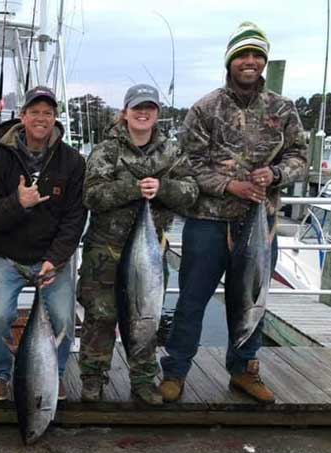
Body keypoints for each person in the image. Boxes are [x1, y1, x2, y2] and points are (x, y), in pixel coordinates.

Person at [159, 22, 307, 404]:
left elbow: (300, 158)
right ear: (230, 61)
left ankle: (244, 368)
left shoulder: (283, 109)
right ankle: (175, 371)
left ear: (264, 62)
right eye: (243, 54)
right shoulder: (205, 108)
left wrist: (274, 174)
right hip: (208, 222)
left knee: (251, 299)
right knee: (192, 298)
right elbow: (186, 164)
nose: (250, 61)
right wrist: (230, 186)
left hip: (261, 225)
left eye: (257, 55)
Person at [78, 84, 198, 405]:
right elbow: (91, 195)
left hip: (150, 251)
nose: (143, 113)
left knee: (147, 314)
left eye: (150, 107)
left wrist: (162, 188)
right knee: (100, 315)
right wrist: (133, 188)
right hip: (104, 250)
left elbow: (190, 195)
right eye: (136, 107)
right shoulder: (106, 151)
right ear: (125, 112)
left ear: (157, 113)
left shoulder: (171, 153)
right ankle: (93, 377)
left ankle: (143, 380)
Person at [0, 86, 87, 401]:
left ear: (55, 118)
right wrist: (19, 202)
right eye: (35, 111)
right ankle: (0, 374)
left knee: (65, 319)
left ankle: (55, 373)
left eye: (48, 113)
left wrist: (56, 259)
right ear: (22, 116)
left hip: (53, 261)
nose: (41, 118)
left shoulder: (73, 162)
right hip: (8, 258)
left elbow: (75, 219)